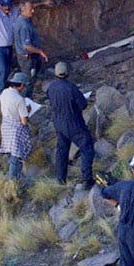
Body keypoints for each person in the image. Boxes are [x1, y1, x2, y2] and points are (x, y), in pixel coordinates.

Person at [46, 61, 95, 189]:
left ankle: (60, 178)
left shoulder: (51, 87)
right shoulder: (71, 88)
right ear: (67, 73)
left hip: (58, 123)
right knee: (87, 147)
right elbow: (83, 105)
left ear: (55, 73)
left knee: (62, 149)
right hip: (74, 123)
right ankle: (87, 179)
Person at [0, 71, 33, 179]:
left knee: (10, 154)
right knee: (16, 156)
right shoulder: (19, 99)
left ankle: (13, 176)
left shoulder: (4, 92)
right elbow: (24, 121)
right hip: (16, 130)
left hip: (5, 125)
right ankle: (13, 179)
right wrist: (27, 112)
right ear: (21, 85)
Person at [14, 0, 48, 98]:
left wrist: (43, 3)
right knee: (28, 80)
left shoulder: (22, 18)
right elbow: (27, 46)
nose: (33, 11)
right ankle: (26, 100)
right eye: (30, 9)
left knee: (31, 77)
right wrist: (40, 52)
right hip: (27, 58)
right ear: (23, 10)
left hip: (26, 56)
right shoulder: (24, 25)